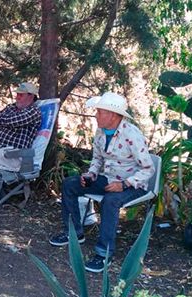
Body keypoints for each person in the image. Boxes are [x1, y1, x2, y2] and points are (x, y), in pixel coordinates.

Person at [49, 92, 155, 273]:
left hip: (133, 184)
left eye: (99, 112)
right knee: (70, 184)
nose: (96, 115)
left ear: (112, 115)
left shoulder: (131, 134)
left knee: (111, 201)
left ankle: (103, 254)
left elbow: (148, 169)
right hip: (109, 179)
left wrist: (124, 185)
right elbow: (97, 160)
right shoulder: (100, 131)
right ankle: (74, 233)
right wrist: (90, 176)